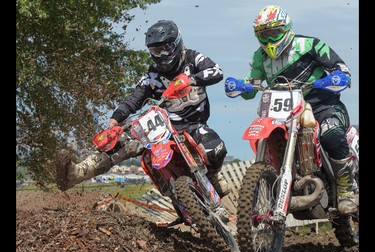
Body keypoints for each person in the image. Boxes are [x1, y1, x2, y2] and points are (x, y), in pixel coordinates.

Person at [56, 19, 230, 199]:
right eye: (155, 50)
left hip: (194, 124)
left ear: (177, 44)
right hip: (164, 126)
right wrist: (113, 122)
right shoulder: (152, 76)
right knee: (121, 142)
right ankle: (76, 173)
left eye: (165, 48)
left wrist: (191, 79)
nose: (161, 54)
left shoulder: (193, 59)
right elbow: (134, 99)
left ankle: (212, 177)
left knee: (216, 150)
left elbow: (216, 71)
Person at [228, 5, 358, 214]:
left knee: (331, 135)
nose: (270, 40)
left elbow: (341, 69)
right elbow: (253, 84)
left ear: (286, 29)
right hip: (283, 111)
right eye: (264, 35)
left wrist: (337, 77)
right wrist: (240, 85)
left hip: (322, 105)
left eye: (274, 33)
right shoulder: (260, 57)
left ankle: (346, 188)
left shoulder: (310, 45)